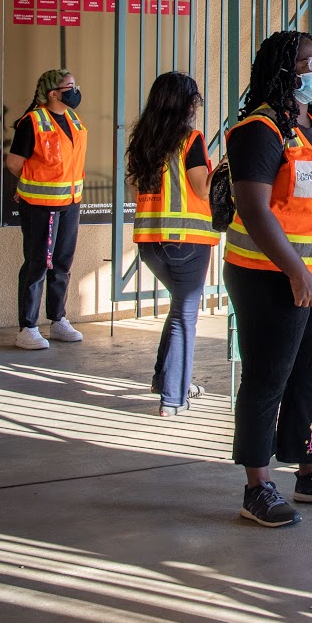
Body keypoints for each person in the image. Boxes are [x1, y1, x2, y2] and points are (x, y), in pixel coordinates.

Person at [225, 30, 312, 527]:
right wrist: (297, 272)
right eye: (308, 61)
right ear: (283, 69)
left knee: (311, 378)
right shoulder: (258, 131)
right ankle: (257, 486)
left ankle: (310, 471)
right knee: (267, 379)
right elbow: (254, 210)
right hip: (268, 278)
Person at [127, 71, 217, 417]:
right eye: (195, 98)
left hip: (150, 244)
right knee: (184, 317)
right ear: (185, 103)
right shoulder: (190, 140)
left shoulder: (143, 141)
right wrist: (224, 167)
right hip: (188, 243)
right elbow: (202, 189)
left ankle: (163, 379)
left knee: (179, 310)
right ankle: (174, 398)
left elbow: (135, 190)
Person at [6, 69, 87, 350]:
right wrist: (31, 185)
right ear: (54, 94)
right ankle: (27, 327)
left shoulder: (73, 119)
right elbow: (15, 163)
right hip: (41, 206)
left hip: (70, 204)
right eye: (69, 87)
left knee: (62, 263)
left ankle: (57, 320)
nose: (75, 91)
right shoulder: (33, 122)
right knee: (38, 263)